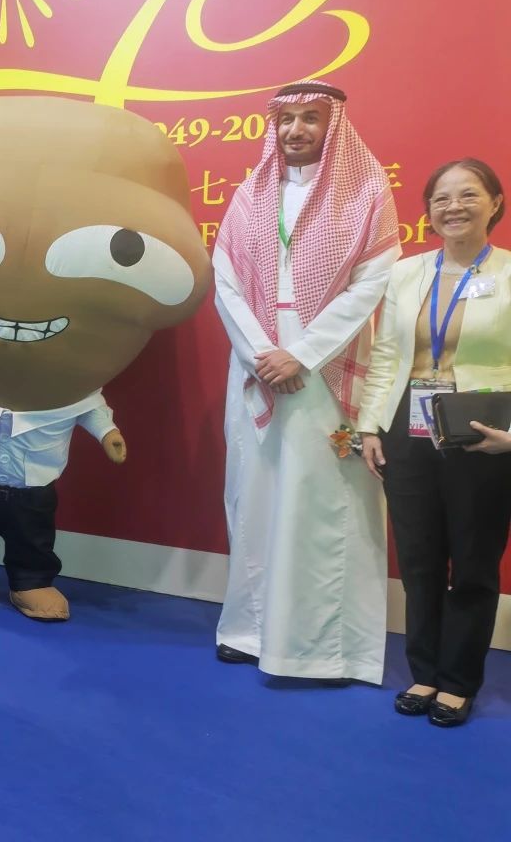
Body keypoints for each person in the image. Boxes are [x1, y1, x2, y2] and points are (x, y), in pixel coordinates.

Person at [213, 79, 401, 683]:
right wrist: (262, 355)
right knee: (255, 495)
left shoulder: (366, 193)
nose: (296, 130)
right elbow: (226, 281)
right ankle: (249, 629)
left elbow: (371, 286)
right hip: (257, 366)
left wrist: (304, 354)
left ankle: (327, 649)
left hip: (328, 368)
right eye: (287, 119)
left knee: (322, 503)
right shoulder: (250, 194)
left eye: (311, 118)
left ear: (333, 125)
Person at [358, 159, 511, 726]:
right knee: (419, 557)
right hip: (409, 428)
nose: (453, 207)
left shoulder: (509, 272)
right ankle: (423, 670)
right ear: (428, 211)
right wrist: (370, 426)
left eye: (468, 195)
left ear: (495, 203)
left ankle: (459, 680)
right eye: (441, 198)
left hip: (482, 433)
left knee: (472, 560)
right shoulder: (406, 273)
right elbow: (386, 355)